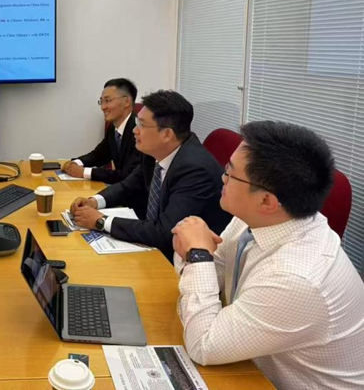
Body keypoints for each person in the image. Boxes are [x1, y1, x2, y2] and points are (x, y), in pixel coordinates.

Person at [172, 121, 364, 389]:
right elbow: (212, 277)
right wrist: (196, 256)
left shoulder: (297, 277)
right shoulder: (259, 218)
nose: (222, 178)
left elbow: (203, 345)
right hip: (254, 368)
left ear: (266, 201)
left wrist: (197, 255)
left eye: (230, 174)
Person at [71, 90, 230, 260]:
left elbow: (165, 232)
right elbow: (128, 187)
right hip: (156, 247)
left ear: (167, 134)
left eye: (141, 125)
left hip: (185, 260)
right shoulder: (154, 152)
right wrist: (94, 201)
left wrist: (102, 221)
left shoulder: (194, 170)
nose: (135, 130)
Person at [61, 78, 141, 184]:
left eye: (107, 100)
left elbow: (126, 175)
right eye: (101, 101)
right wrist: (75, 163)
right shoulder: (114, 128)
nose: (103, 107)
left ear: (126, 101)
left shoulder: (139, 131)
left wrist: (83, 172)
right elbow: (99, 155)